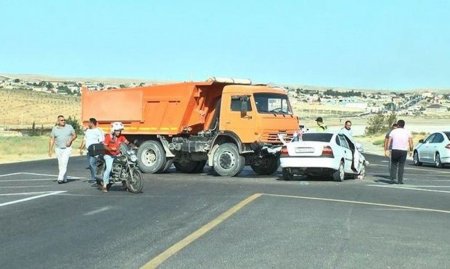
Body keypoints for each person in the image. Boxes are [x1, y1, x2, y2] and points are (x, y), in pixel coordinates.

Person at [101, 122, 130, 193]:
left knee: (125, 165)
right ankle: (104, 185)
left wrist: (133, 145)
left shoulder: (121, 137)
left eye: (120, 130)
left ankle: (124, 182)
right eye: (117, 130)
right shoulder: (108, 137)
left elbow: (127, 142)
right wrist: (110, 149)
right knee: (109, 169)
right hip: (108, 155)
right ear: (113, 130)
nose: (119, 132)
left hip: (117, 155)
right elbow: (104, 146)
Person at [48, 115, 77, 184]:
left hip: (67, 148)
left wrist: (70, 140)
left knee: (64, 163)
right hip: (58, 148)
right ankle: (65, 178)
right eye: (61, 120)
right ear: (58, 121)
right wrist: (50, 150)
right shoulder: (55, 129)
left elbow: (75, 135)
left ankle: (60, 178)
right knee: (61, 164)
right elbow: (52, 139)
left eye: (64, 120)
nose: (63, 121)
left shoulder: (69, 127)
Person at [384, 120, 413, 184]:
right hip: (403, 150)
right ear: (404, 125)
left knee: (393, 164)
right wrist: (411, 150)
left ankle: (392, 178)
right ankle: (400, 180)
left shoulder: (393, 131)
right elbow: (410, 142)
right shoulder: (407, 132)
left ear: (398, 125)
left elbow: (389, 141)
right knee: (401, 166)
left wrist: (387, 149)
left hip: (395, 150)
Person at [79, 118, 104, 183]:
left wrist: (101, 150)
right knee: (90, 165)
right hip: (88, 150)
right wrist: (81, 149)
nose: (88, 124)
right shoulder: (87, 131)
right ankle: (93, 177)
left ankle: (96, 178)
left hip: (95, 150)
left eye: (89, 122)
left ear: (92, 123)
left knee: (92, 163)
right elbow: (84, 140)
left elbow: (101, 141)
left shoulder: (98, 131)